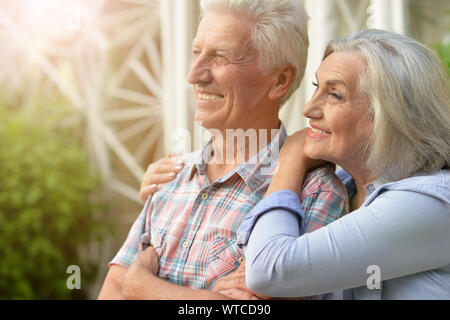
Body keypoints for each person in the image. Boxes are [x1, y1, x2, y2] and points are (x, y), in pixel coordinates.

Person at [98, 0, 348, 300]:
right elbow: (112, 292)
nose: (194, 74)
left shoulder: (316, 194)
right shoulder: (169, 178)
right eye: (196, 52)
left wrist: (142, 286)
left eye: (220, 56)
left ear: (280, 80)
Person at [220, 29, 450, 299]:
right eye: (318, 88)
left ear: (391, 114)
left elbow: (268, 271)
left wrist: (290, 162)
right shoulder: (336, 190)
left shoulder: (433, 201)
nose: (308, 109)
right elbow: (259, 279)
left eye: (335, 95)